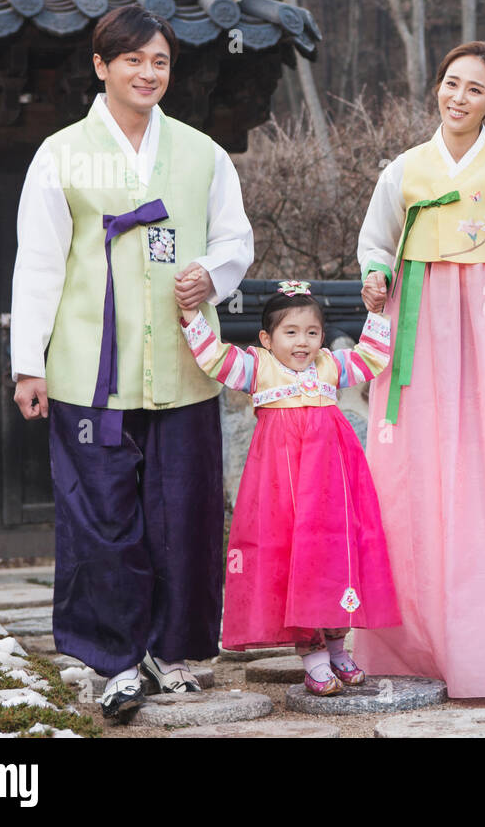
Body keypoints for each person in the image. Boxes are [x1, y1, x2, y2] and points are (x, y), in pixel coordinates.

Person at [10, 5, 253, 719]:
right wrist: (31, 365)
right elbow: (40, 264)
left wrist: (210, 274)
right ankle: (113, 658)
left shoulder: (202, 152)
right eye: (133, 60)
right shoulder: (61, 153)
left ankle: (173, 651)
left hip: (183, 366)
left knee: (183, 512)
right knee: (102, 516)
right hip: (91, 369)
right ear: (100, 66)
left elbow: (235, 240)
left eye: (161, 62)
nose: (148, 74)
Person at [355, 41, 485, 699]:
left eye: (474, 89)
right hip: (417, 333)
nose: (458, 97)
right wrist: (376, 273)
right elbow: (374, 242)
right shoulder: (405, 170)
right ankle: (409, 643)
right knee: (409, 480)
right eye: (451, 83)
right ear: (436, 90)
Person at [179, 281, 400, 694]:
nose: (303, 342)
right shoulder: (258, 367)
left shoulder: (331, 366)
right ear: (266, 338)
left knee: (334, 557)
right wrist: (192, 318)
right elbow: (215, 360)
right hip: (283, 489)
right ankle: (313, 655)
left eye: (312, 332)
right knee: (295, 560)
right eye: (291, 332)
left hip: (332, 486)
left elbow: (371, 357)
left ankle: (337, 647)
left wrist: (377, 311)